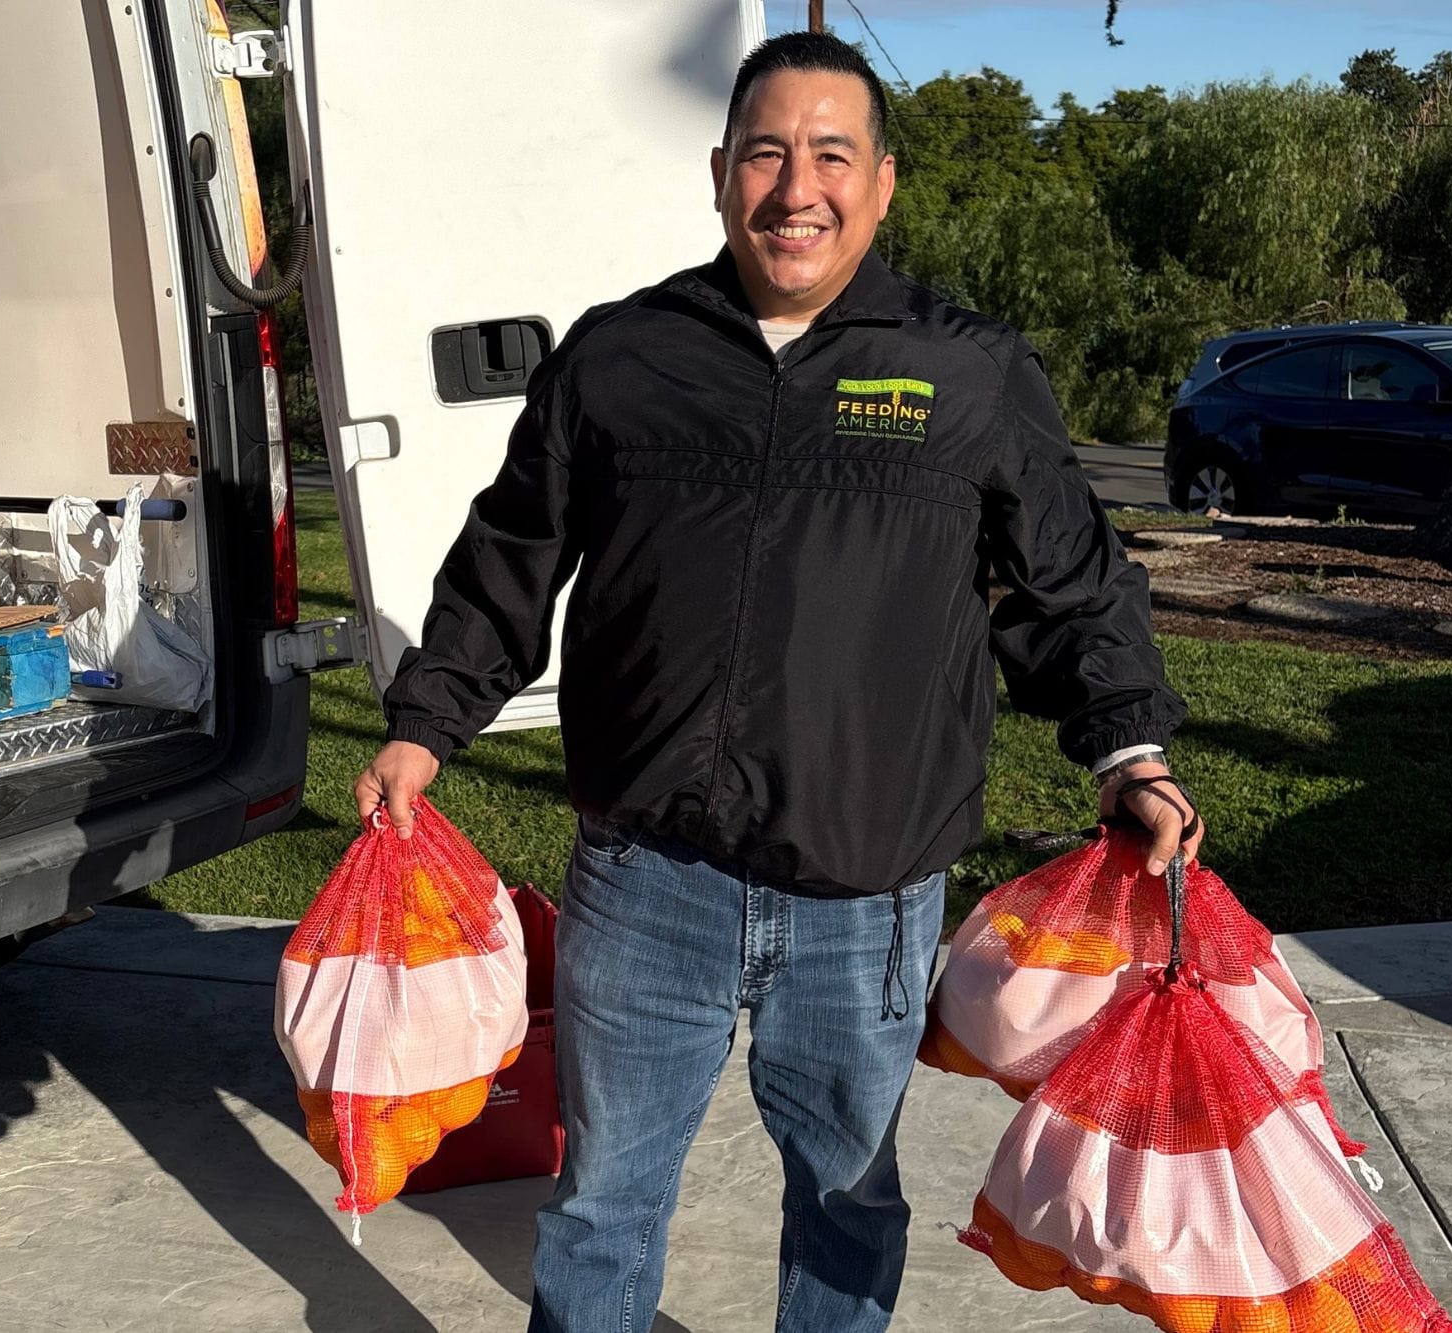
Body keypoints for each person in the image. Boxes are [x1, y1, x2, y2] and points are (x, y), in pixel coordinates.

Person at [354, 30, 1201, 1333]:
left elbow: (1070, 583)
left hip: (866, 897)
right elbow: (509, 557)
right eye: (765, 153)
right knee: (602, 1204)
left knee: (846, 1204)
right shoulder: (620, 358)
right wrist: (424, 726)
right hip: (646, 880)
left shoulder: (966, 371)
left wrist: (1128, 748)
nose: (796, 188)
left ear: (883, 182)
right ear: (719, 173)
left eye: (831, 155)